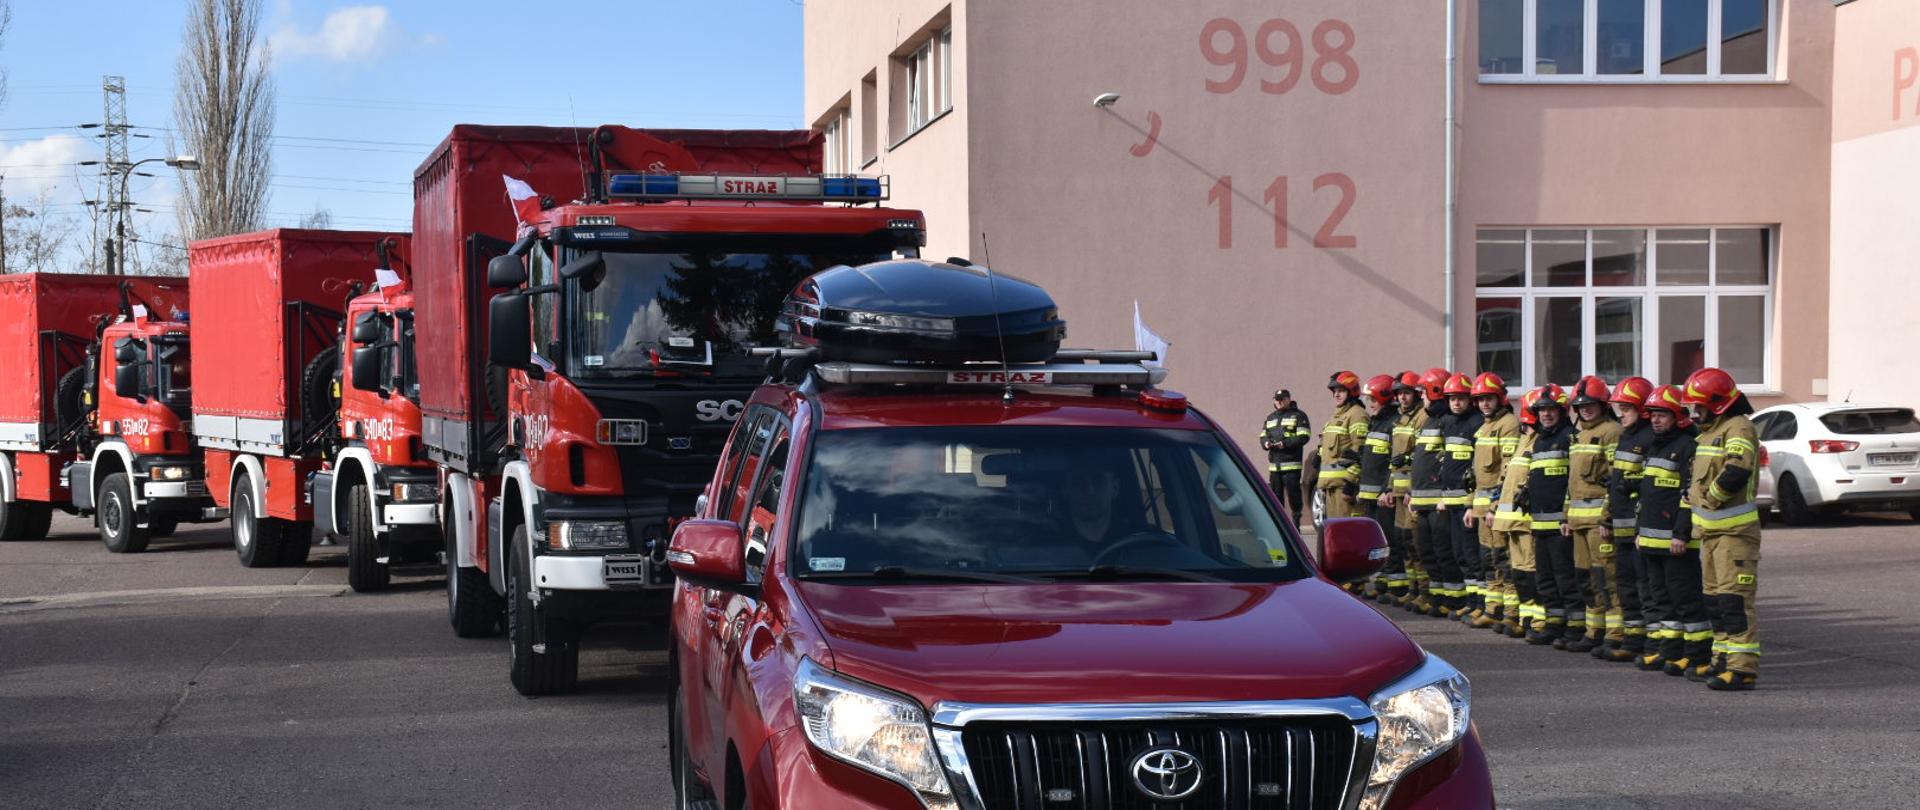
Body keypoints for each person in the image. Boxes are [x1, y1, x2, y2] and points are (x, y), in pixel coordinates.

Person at [1683, 367, 1763, 692]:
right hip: (1711, 535)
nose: (1694, 411)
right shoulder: (1709, 432)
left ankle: (1742, 669)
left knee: (1734, 602)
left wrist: (1711, 498)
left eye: (1698, 405)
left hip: (1735, 535)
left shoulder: (1738, 427)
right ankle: (1721, 660)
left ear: (1716, 404)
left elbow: (1737, 470)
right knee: (1715, 603)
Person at [1632, 385, 1712, 676]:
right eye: (1653, 414)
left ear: (1678, 417)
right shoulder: (1656, 446)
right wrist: (1639, 531)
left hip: (1676, 543)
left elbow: (1688, 496)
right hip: (1651, 539)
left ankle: (1697, 656)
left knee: (1686, 600)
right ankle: (1671, 652)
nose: (1655, 420)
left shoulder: (1688, 447)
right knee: (1662, 600)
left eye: (1662, 415)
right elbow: (1646, 495)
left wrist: (1681, 534)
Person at [1564, 376, 1623, 655]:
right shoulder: (1578, 436)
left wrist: (1608, 517)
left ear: (1603, 405)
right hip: (1578, 520)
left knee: (1606, 578)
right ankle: (1594, 630)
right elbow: (1572, 481)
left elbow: (1615, 479)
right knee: (1585, 578)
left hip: (1599, 522)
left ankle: (1615, 633)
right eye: (1580, 405)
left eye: (1590, 404)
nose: (1585, 409)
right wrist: (1566, 515)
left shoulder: (1612, 432)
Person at [1519, 384, 1579, 646]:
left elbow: (1574, 481)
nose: (1546, 414)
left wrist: (1567, 515)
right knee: (1545, 578)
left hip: (1561, 524)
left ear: (1562, 411)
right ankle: (1554, 625)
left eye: (1551, 409)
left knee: (1566, 577)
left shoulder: (1570, 438)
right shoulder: (1540, 440)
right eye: (1542, 410)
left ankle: (1574, 628)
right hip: (1540, 522)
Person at [1604, 376, 1656, 663]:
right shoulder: (1627, 436)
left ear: (1642, 409)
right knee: (1626, 586)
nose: (1621, 415)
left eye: (1626, 409)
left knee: (1646, 587)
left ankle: (1653, 643)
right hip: (1621, 527)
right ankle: (1634, 640)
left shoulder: (1650, 438)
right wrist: (1608, 518)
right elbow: (1616, 482)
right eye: (1619, 409)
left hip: (1639, 529)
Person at [1465, 372, 1521, 630]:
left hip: (1496, 509)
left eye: (1489, 398)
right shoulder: (1483, 426)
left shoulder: (1509, 424)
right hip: (1481, 508)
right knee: (1488, 560)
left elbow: (1507, 470)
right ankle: (1492, 608)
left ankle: (1510, 612)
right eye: (1480, 399)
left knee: (1502, 560)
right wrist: (1470, 505)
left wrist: (1495, 507)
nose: (1484, 404)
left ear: (1500, 398)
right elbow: (1476, 473)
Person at [1407, 368, 1456, 617]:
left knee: (1442, 551)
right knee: (1426, 551)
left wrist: (1445, 495)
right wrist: (1412, 493)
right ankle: (1436, 597)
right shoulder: (1429, 420)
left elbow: (1450, 462)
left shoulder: (1447, 421)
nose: (1421, 397)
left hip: (1438, 500)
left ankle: (1451, 599)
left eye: (1423, 393)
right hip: (1422, 498)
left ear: (1435, 392)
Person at [1438, 373, 1485, 619]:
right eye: (1452, 398)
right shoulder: (1449, 422)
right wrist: (1444, 495)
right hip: (1452, 501)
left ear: (1470, 400)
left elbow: (1477, 467)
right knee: (1460, 554)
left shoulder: (1477, 423)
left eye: (1461, 398)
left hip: (1467, 503)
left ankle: (1480, 604)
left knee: (1472, 554)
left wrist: (1471, 503)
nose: (1456, 403)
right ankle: (1471, 601)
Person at [1500, 389, 1544, 638]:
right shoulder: (1523, 439)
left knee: (1531, 570)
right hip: (1512, 521)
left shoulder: (1539, 441)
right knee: (1518, 572)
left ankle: (1537, 621)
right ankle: (1525, 617)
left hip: (1528, 521)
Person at [1355, 375, 1402, 599]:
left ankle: (1396, 586)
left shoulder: (1394, 424)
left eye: (1373, 399)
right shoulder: (1376, 422)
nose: (1370, 404)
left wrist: (1386, 489)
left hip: (1383, 495)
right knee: (1379, 542)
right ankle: (1383, 582)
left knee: (1390, 540)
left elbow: (1393, 462)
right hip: (1371, 494)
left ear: (1385, 398)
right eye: (1368, 399)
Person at [1384, 371, 1427, 607]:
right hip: (1399, 492)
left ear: (1416, 394)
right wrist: (1391, 488)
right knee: (1403, 541)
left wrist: (1413, 490)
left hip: (1412, 491)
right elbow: (1395, 458)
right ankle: (1412, 588)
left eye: (1407, 393)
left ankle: (1424, 591)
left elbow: (1421, 456)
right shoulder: (1400, 419)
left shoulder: (1421, 418)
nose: (1402, 397)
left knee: (1415, 542)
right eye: (1399, 393)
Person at [1316, 371, 1369, 524]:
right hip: (1331, 487)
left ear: (1352, 392)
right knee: (1335, 532)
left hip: (1345, 488)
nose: (1336, 395)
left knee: (1348, 531)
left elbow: (1361, 452)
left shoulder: (1357, 415)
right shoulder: (1335, 417)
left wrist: (1351, 484)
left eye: (1341, 391)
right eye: (1334, 391)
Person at [1259, 389, 1312, 527]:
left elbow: (1304, 436)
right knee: (1276, 498)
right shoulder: (1270, 418)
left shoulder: (1298, 415)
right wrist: (1266, 443)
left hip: (1291, 464)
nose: (1279, 402)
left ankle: (1296, 523)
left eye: (1282, 399)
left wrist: (1285, 444)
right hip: (1275, 466)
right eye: (1277, 399)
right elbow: (1263, 435)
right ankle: (1280, 526)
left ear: (1288, 399)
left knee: (1294, 496)